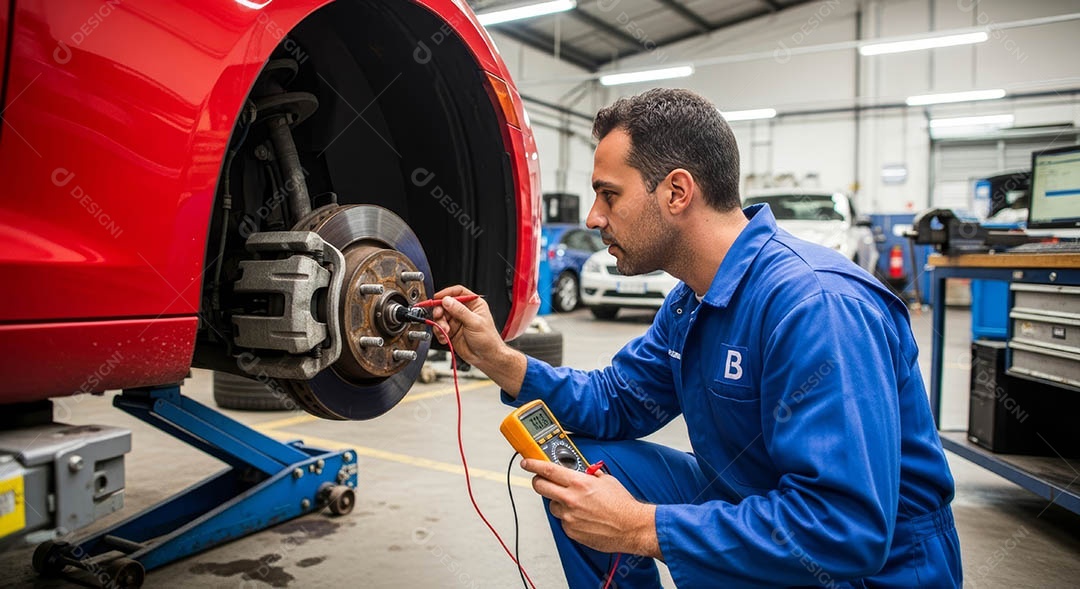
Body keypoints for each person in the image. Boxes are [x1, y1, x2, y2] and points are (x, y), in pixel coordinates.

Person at [430, 88, 962, 588]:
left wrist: (641, 527)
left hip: (869, 571)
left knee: (621, 506)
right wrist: (497, 357)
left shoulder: (816, 306)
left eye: (609, 196)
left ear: (677, 192)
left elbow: (844, 527)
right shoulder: (692, 302)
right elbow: (616, 400)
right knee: (584, 472)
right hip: (756, 503)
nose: (593, 218)